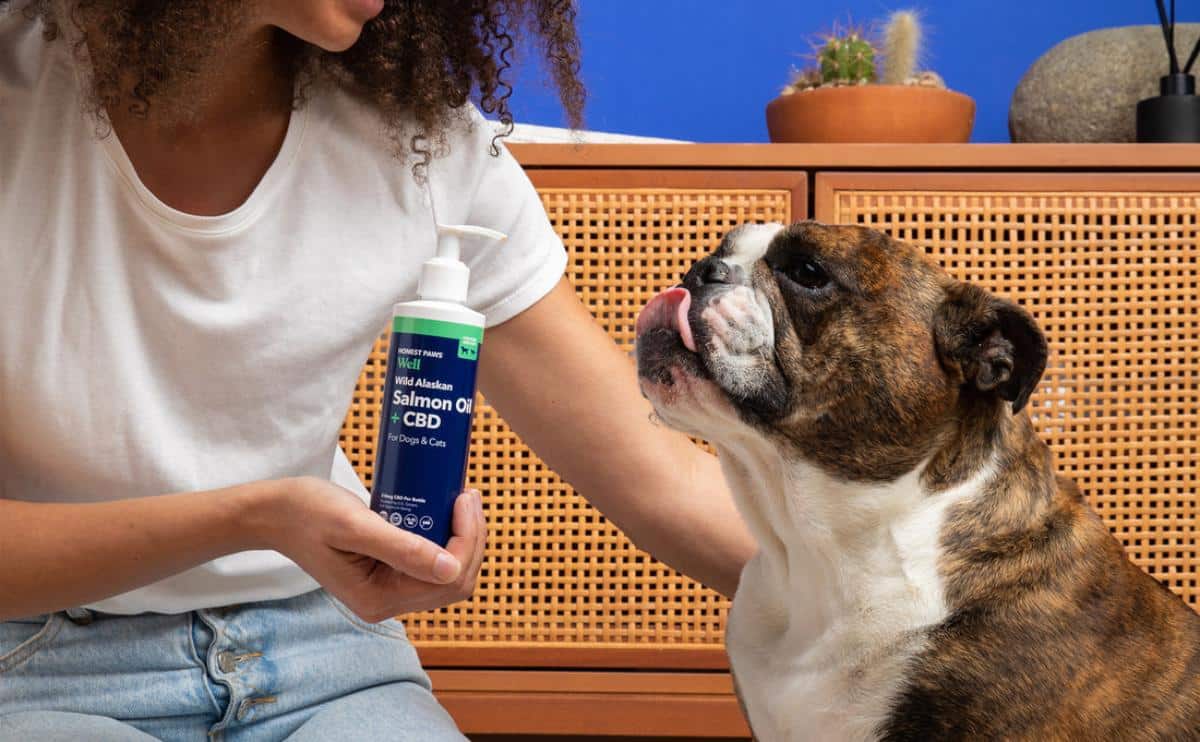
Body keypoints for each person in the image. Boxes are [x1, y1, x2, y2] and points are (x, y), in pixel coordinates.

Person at [0, 1, 755, 739]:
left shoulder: (422, 139)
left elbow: (662, 481)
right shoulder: (18, 105)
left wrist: (871, 610)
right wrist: (255, 518)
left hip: (323, 652)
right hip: (37, 663)